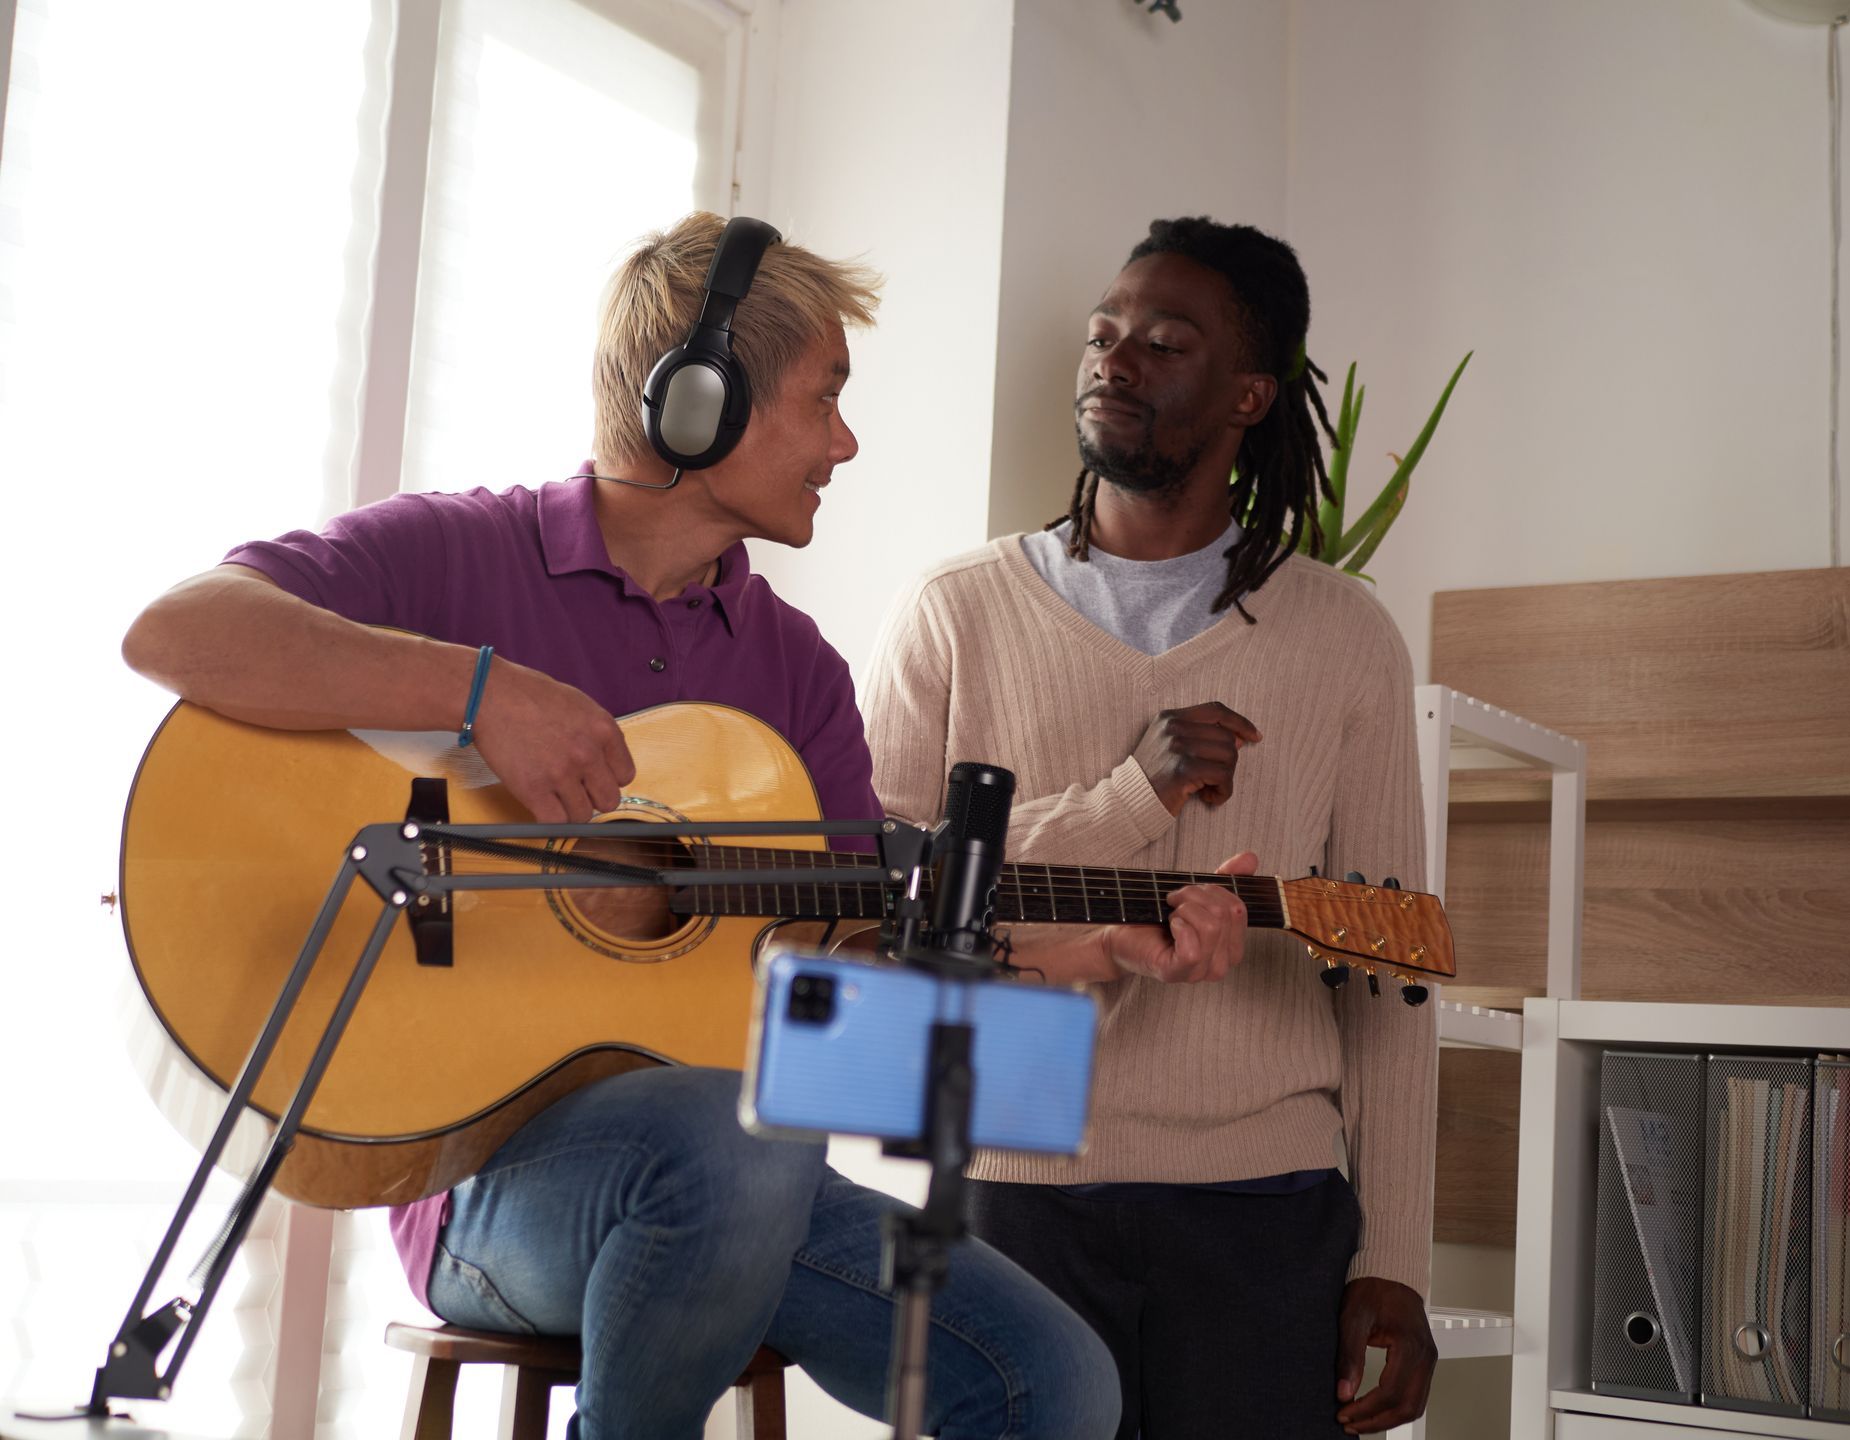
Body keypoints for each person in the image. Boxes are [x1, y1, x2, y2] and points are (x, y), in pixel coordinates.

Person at [119, 212, 1253, 1440]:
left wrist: (1079, 955)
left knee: (1056, 1381)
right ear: (701, 402)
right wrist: (480, 692)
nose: (845, 440)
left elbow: (845, 970)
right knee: (734, 1136)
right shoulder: (458, 553)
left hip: (739, 1178)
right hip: (487, 1191)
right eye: (825, 399)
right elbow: (178, 631)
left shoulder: (797, 670)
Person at [860, 216, 1440, 1439]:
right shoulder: (953, 613)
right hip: (1007, 1206)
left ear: (1248, 393)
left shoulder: (1344, 639)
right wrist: (1134, 797)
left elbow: (1389, 968)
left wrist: (1398, 1255)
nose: (1113, 361)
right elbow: (882, 916)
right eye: (1101, 335)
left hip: (1266, 1211)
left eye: (1164, 342)